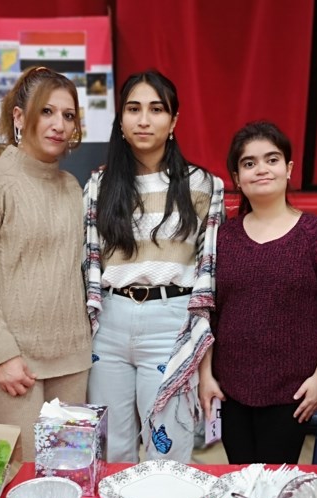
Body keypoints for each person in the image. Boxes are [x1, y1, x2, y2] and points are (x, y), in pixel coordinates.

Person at [83, 70, 226, 463]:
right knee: (111, 449)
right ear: (121, 120)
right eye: (133, 109)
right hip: (109, 323)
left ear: (174, 121)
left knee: (167, 448)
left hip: (170, 322)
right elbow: (87, 264)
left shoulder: (204, 186)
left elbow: (208, 278)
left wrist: (204, 360)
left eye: (156, 109)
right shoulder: (99, 185)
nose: (143, 120)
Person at [197, 120, 317, 464]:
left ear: (288, 170)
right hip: (229, 392)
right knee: (240, 481)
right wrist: (206, 375)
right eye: (249, 163)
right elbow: (206, 312)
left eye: (271, 160)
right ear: (237, 178)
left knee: (275, 486)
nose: (261, 170)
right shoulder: (221, 238)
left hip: (294, 393)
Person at [0, 66, 93, 462]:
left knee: (71, 474)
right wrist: (2, 354)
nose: (59, 125)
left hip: (72, 359)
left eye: (68, 116)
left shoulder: (71, 187)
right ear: (19, 117)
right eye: (46, 112)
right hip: (14, 365)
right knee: (23, 480)